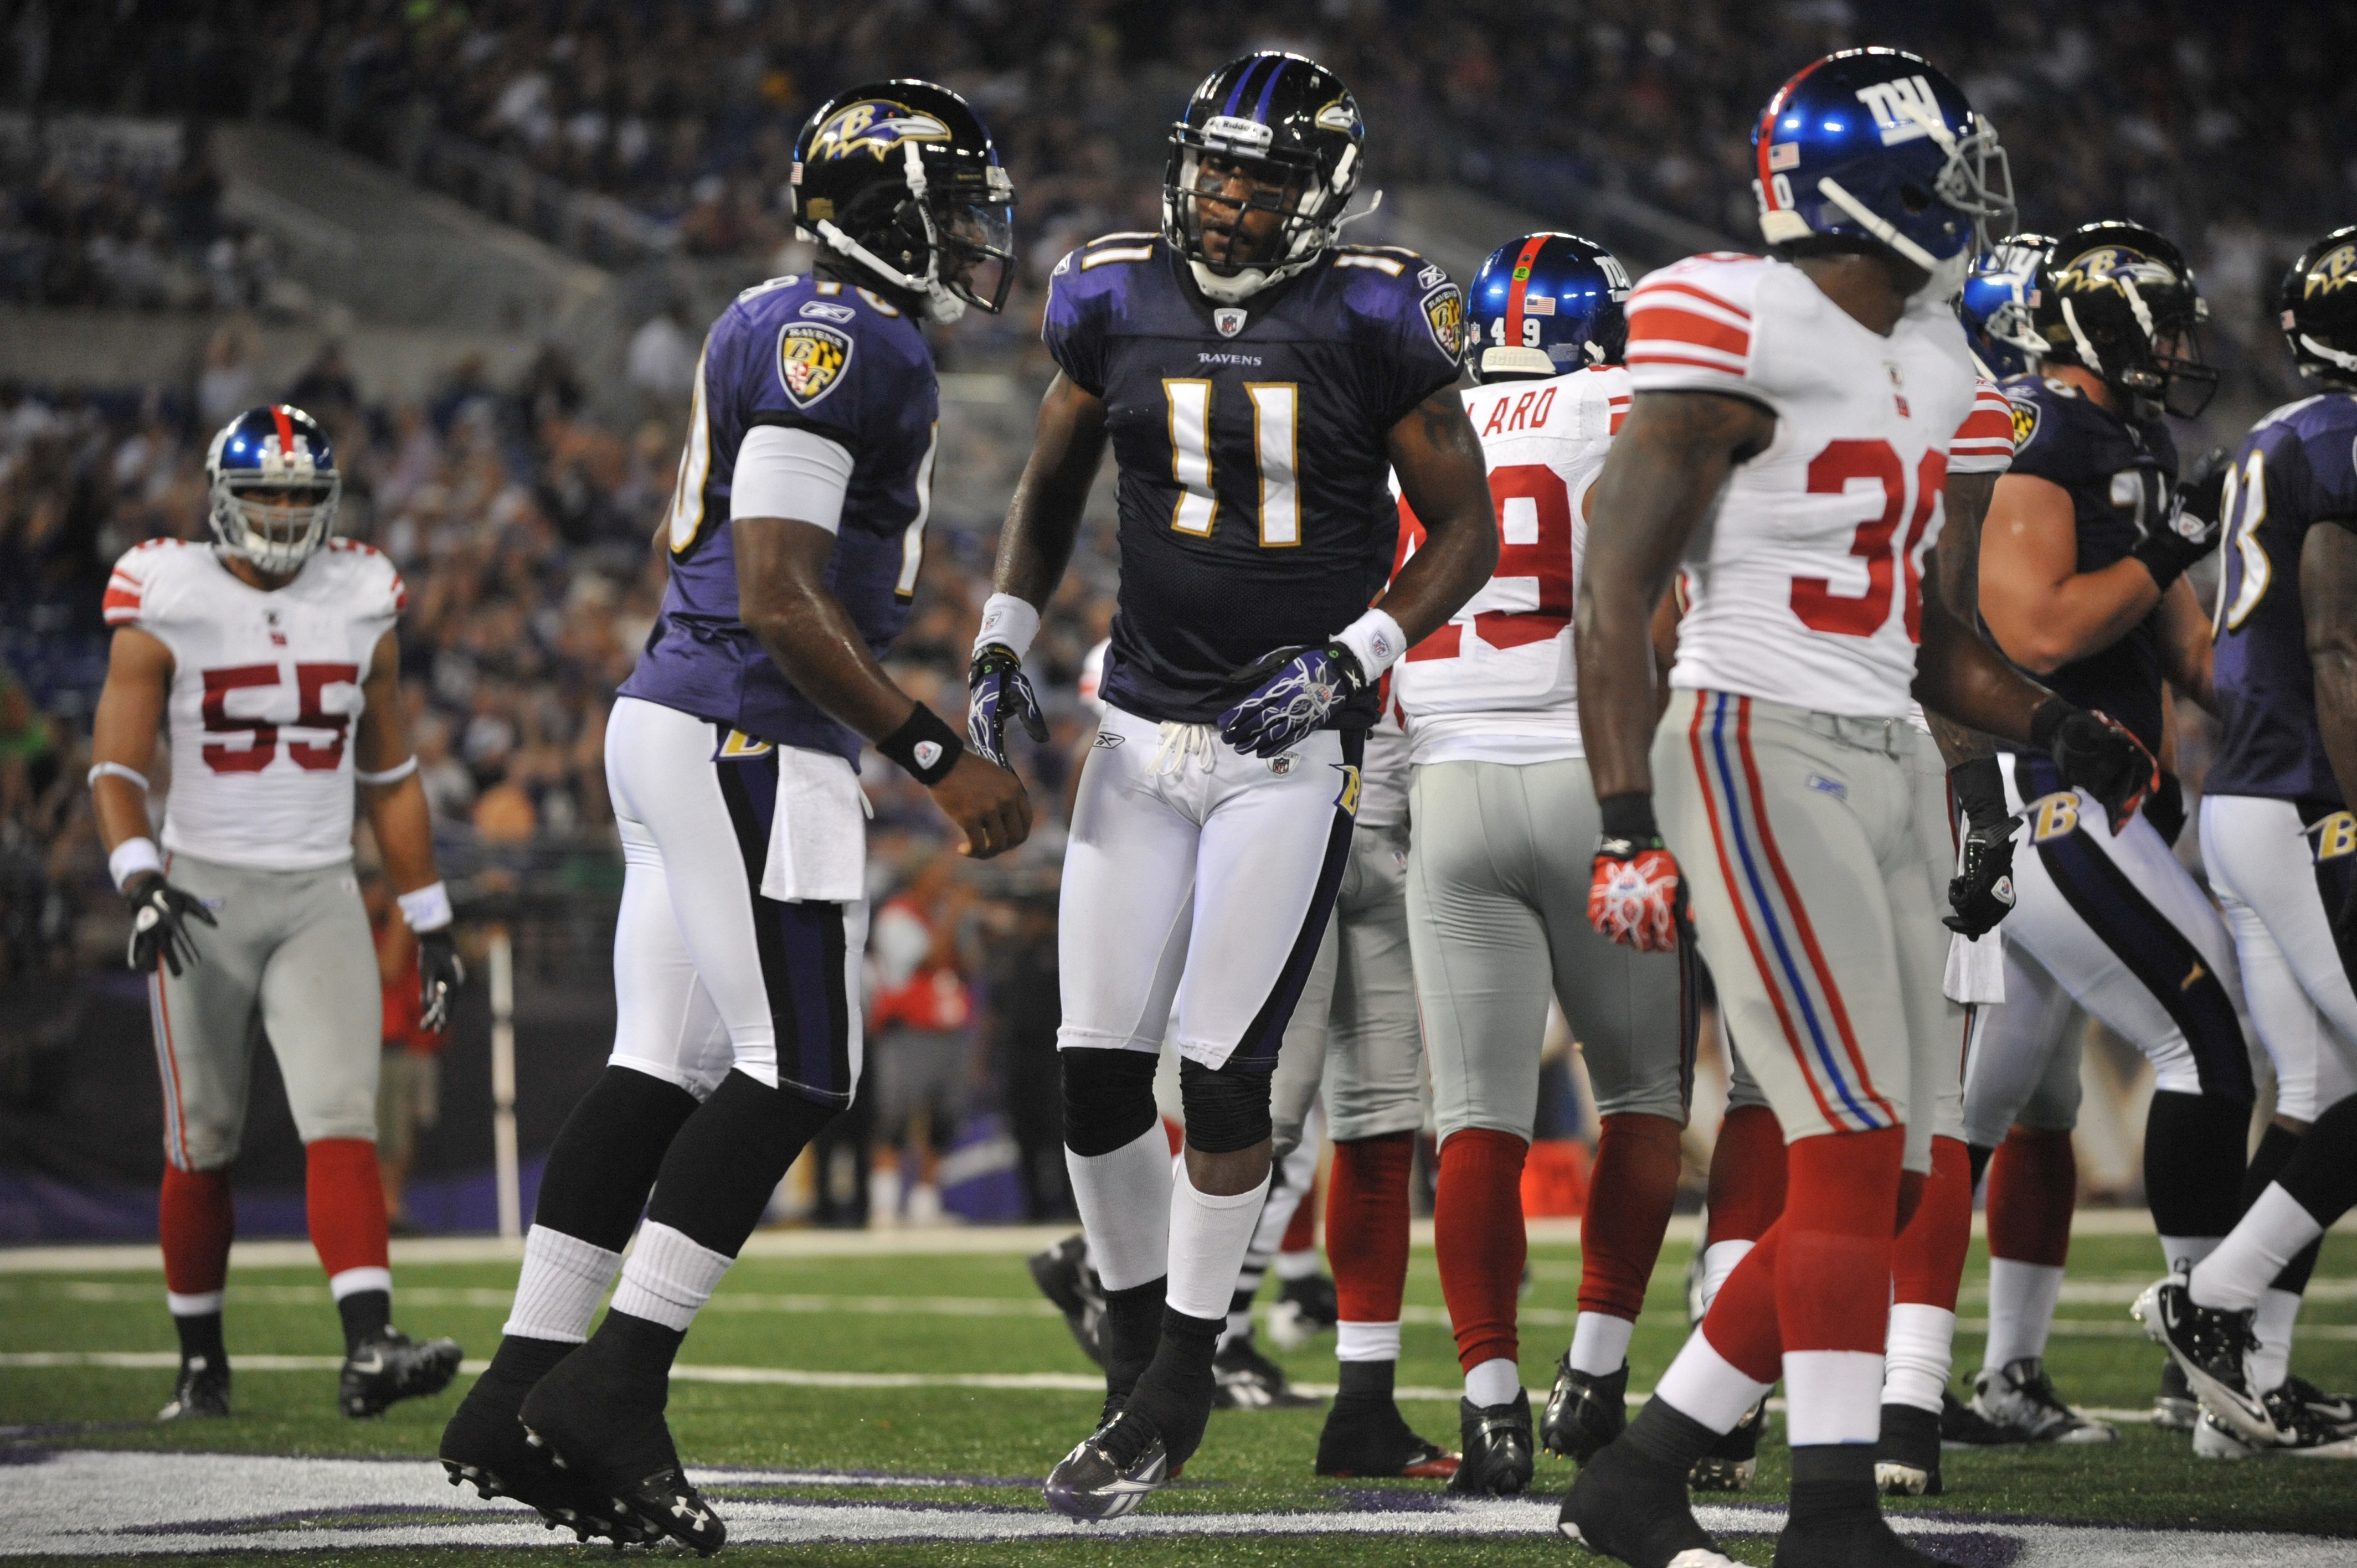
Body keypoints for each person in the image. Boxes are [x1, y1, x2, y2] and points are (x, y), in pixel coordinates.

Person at [1561, 48, 2151, 1568]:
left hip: (1886, 742)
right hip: (1755, 739)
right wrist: (1627, 818)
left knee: (1895, 1164)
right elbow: (1615, 586)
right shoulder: (1731, 313)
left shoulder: (1944, 359)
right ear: (1865, 187)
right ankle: (1832, 1514)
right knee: (1838, 1141)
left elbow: (1924, 626)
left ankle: (1646, 1469)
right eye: (1950, 173)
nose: (1969, 203)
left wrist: (2052, 724)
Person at [438, 80, 1030, 1553]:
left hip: (683, 721)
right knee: (800, 1073)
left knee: (665, 1064)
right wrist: (935, 749)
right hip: (743, 735)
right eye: (952, 207)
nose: (973, 237)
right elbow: (777, 590)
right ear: (887, 214)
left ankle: (512, 1392)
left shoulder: (787, 315)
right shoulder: (846, 339)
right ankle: (615, 1386)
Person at [967, 50, 1496, 1520]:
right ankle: (1143, 1348)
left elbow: (1469, 531)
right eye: (1212, 168)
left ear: (1322, 191)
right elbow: (1055, 477)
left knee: (1222, 1076)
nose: (1226, 198)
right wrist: (1006, 633)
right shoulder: (1108, 291)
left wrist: (1358, 655)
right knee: (1090, 1074)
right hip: (1138, 731)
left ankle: (1179, 1382)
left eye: (1259, 179)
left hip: (1287, 745)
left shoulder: (1377, 310)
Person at [86, 402, 467, 1426]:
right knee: (202, 1135)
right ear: (223, 499)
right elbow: (116, 766)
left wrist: (429, 916)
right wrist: (137, 873)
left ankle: (369, 1345)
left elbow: (389, 773)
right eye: (268, 493)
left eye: (304, 494)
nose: (287, 512)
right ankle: (201, 1364)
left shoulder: (362, 589)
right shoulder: (165, 586)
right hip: (201, 891)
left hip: (320, 889)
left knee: (340, 1115)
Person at [1382, 230, 1689, 1497]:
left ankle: (1489, 1398)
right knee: (1644, 1094)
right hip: (1590, 768)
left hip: (1447, 783)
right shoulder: (1626, 396)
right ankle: (1600, 1367)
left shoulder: (1423, 412)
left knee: (1478, 1125)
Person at [1963, 220, 2253, 1443]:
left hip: (2106, 801)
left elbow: (2184, 647)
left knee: (1984, 1118)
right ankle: (2216, 1358)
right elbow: (2036, 632)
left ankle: (1962, 1376)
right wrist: (2166, 547)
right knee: (2206, 1039)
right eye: (2166, 322)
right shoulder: (2037, 428)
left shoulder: (2124, 436)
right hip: (2039, 795)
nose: (2186, 347)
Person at [2140, 226, 2357, 1459]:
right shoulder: (2338, 446)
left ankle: (2248, 1391)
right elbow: (2331, 643)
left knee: (2318, 1088)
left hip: (2252, 793)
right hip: (2302, 798)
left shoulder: (2286, 437)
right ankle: (2213, 1300)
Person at [867, 855, 977, 1226]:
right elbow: (925, 959)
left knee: (944, 1117)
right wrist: (955, 915)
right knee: (897, 1115)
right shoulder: (898, 916)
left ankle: (924, 1205)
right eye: (941, 875)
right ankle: (884, 1206)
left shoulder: (945, 915)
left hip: (949, 1029)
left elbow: (971, 965)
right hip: (909, 1032)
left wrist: (965, 921)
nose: (948, 883)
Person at [365, 866, 446, 1233]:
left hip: (408, 1040)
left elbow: (396, 965)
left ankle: (390, 1206)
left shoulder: (402, 920)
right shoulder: (366, 927)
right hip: (382, 1041)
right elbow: (389, 967)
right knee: (388, 1132)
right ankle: (385, 1207)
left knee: (401, 1131)